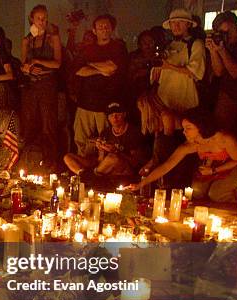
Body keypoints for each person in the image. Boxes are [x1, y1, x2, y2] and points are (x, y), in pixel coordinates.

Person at [130, 108, 237, 202]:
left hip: (233, 166)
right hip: (210, 167)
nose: (184, 132)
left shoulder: (224, 139)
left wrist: (213, 170)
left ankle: (233, 212)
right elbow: (166, 166)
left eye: (188, 128)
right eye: (184, 128)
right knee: (197, 191)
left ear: (201, 127)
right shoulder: (190, 145)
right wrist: (141, 184)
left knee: (216, 194)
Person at [140, 9, 205, 138]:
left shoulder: (196, 45)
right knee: (162, 136)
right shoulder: (168, 45)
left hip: (186, 102)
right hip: (164, 100)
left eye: (180, 22)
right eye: (173, 22)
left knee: (184, 137)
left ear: (188, 24)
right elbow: (157, 74)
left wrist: (168, 66)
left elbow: (196, 73)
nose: (176, 26)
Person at [72, 14, 128, 158]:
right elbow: (79, 70)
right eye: (100, 27)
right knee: (82, 142)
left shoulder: (118, 47)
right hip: (85, 102)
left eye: (107, 27)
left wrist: (89, 64)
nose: (104, 29)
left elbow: (111, 68)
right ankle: (82, 173)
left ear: (112, 29)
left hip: (107, 105)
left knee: (107, 143)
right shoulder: (87, 49)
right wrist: (99, 68)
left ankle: (103, 173)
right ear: (94, 30)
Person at [20, 4, 62, 169]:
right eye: (39, 18)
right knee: (29, 122)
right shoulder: (27, 40)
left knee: (48, 123)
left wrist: (38, 61)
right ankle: (29, 162)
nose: (42, 21)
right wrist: (28, 68)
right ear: (32, 19)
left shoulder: (53, 38)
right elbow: (23, 64)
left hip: (47, 84)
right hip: (31, 85)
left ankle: (50, 163)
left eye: (44, 18)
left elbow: (57, 63)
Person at [64, 102, 147, 176]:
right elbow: (100, 159)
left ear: (124, 114)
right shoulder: (106, 132)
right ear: (108, 118)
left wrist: (116, 151)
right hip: (104, 166)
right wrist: (100, 148)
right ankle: (82, 173)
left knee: (113, 158)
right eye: (111, 115)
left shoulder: (133, 133)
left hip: (122, 168)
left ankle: (91, 177)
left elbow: (136, 162)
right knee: (68, 157)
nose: (115, 118)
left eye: (117, 114)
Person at [207, 11, 237, 153]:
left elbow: (236, 73)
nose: (226, 35)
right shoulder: (223, 42)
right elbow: (219, 72)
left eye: (227, 31)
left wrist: (222, 51)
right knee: (222, 131)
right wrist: (213, 51)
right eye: (221, 32)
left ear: (236, 25)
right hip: (228, 93)